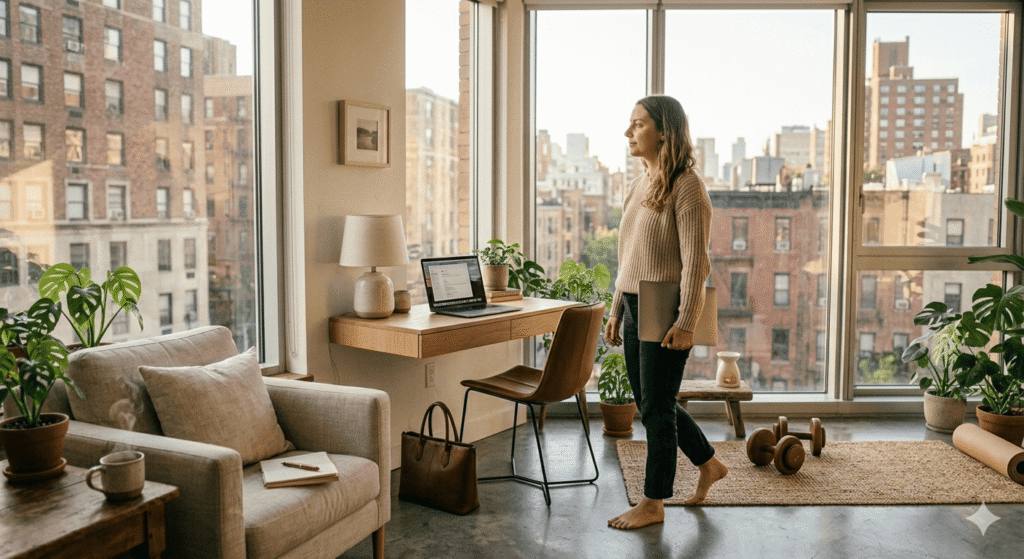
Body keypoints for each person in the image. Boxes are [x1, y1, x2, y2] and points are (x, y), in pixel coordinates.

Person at [605, 95, 728, 530]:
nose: (628, 132)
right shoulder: (641, 183)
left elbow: (697, 262)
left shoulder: (688, 186)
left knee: (656, 407)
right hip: (637, 302)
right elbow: (629, 256)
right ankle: (709, 463)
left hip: (667, 307)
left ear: (663, 131)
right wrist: (617, 309)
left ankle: (653, 503)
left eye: (637, 124)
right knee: (650, 402)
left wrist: (686, 322)